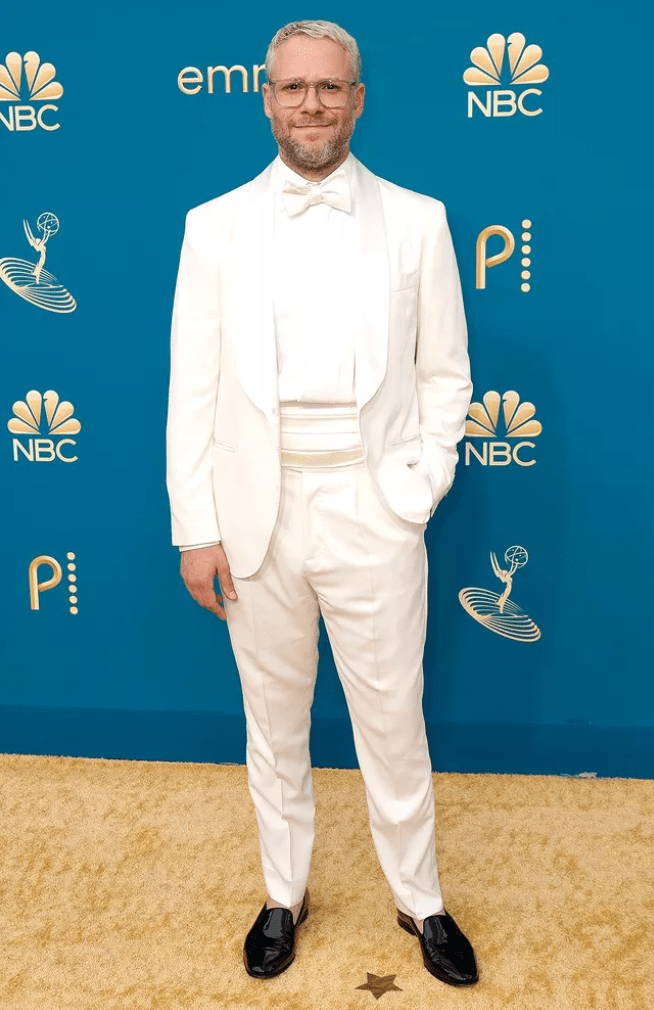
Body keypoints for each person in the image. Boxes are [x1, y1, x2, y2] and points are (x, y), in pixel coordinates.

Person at [166, 19, 478, 988]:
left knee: (393, 717)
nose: (312, 104)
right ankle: (283, 892)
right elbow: (192, 388)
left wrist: (417, 487)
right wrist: (196, 527)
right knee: (273, 720)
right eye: (294, 87)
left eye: (330, 87)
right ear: (266, 97)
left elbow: (446, 375)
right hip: (255, 512)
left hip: (373, 505)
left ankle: (421, 898)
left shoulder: (419, 220)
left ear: (357, 99)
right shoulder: (213, 225)